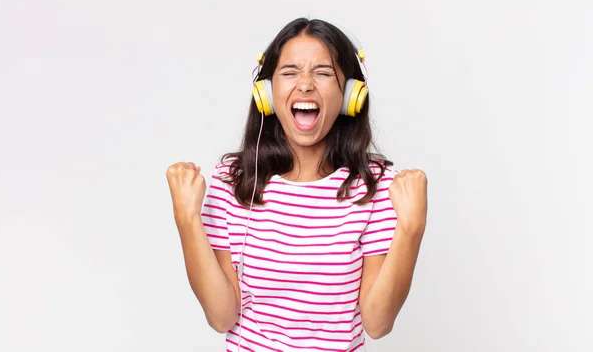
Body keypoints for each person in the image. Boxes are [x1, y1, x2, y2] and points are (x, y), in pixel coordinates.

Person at [166, 17, 428, 352]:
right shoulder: (233, 181)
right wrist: (187, 220)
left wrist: (412, 228)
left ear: (351, 95)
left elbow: (377, 323)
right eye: (289, 72)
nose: (305, 85)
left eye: (323, 72)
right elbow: (221, 317)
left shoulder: (374, 187)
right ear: (266, 93)